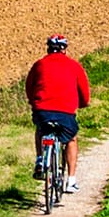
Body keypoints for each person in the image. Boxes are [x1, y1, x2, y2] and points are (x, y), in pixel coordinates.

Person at [25, 34, 89, 195]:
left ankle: (40, 159)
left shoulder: (39, 65)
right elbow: (84, 92)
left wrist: (34, 102)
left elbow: (29, 86)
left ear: (48, 49)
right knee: (71, 138)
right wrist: (82, 104)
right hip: (65, 112)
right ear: (64, 50)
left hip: (42, 111)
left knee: (41, 130)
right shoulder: (74, 66)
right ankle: (71, 181)